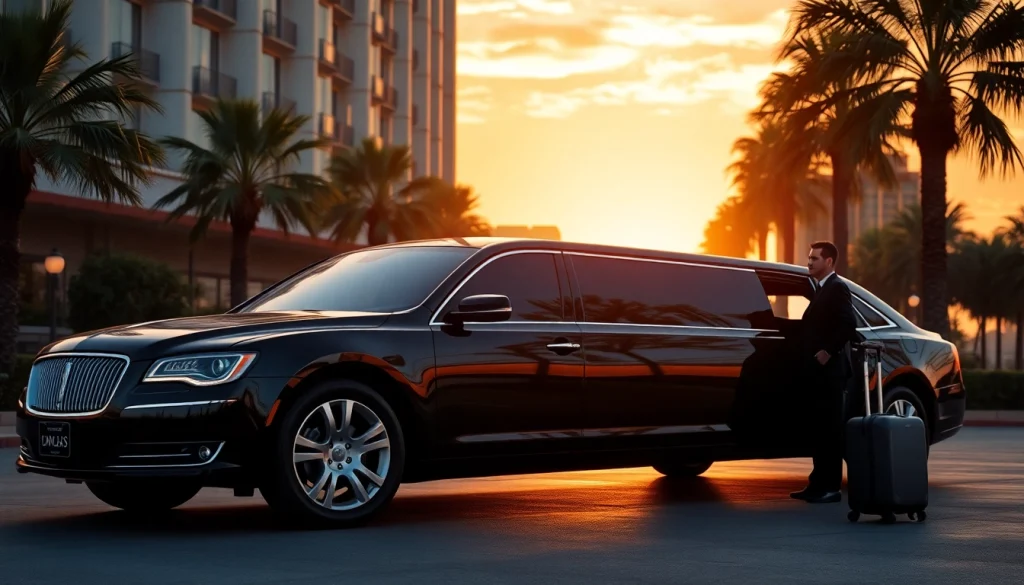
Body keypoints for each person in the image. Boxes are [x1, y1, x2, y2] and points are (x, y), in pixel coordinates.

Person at [790, 241, 858, 504]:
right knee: (818, 429)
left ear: (829, 262)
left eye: (815, 258)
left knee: (830, 430)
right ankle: (816, 484)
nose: (809, 262)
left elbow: (848, 325)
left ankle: (830, 488)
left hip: (831, 373)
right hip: (819, 373)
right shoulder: (820, 289)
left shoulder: (837, 288)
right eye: (809, 257)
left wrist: (827, 351)